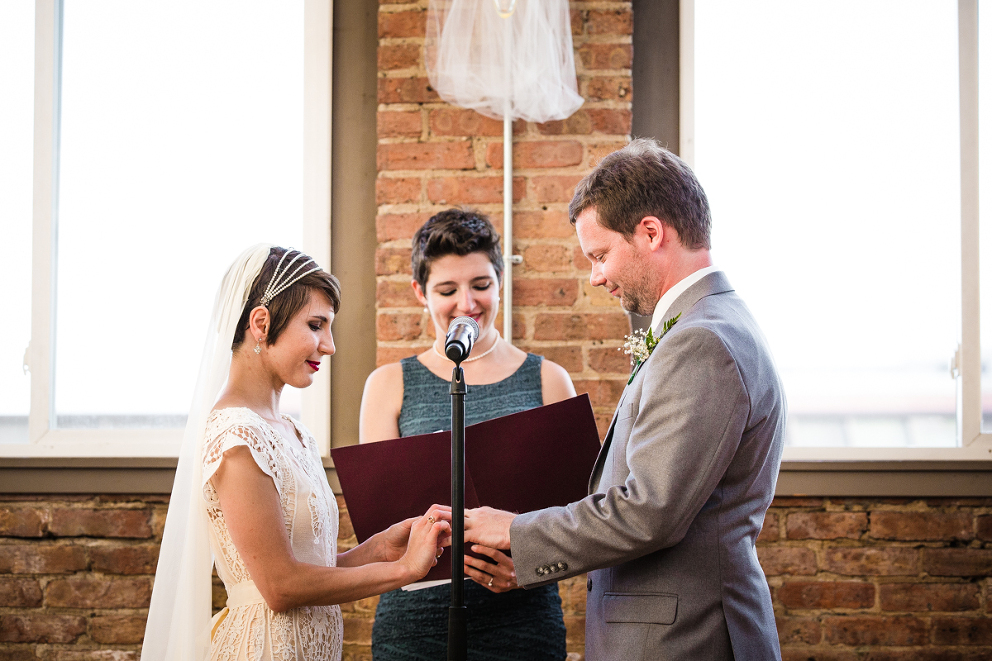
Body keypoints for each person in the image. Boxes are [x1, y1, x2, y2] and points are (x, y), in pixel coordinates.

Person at [464, 139, 787, 660]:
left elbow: (649, 511)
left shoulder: (702, 341)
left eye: (600, 255)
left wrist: (516, 531)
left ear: (651, 232)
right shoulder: (711, 325)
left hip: (685, 640)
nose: (596, 277)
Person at [142, 245, 451, 661]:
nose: (330, 346)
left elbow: (310, 569)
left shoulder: (293, 432)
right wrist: (403, 571)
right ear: (261, 322)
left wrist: (378, 550)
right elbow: (280, 586)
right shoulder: (237, 435)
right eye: (316, 325)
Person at [359, 208, 577, 660]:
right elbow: (382, 525)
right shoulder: (387, 385)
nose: (467, 304)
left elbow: (578, 519)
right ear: (420, 293)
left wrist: (532, 566)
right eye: (447, 290)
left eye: (481, 285)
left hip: (524, 621)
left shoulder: (549, 379)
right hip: (415, 628)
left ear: (500, 280)